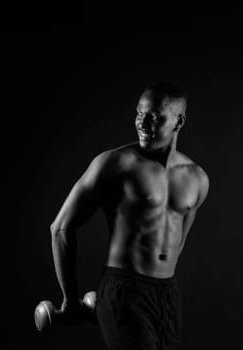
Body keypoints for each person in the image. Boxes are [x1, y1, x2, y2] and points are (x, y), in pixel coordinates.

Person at [49, 82, 209, 349]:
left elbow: (176, 245)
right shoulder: (114, 164)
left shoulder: (197, 178)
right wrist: (70, 300)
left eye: (154, 116)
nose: (142, 123)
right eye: (138, 114)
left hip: (167, 294)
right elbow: (60, 229)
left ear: (178, 122)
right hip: (124, 290)